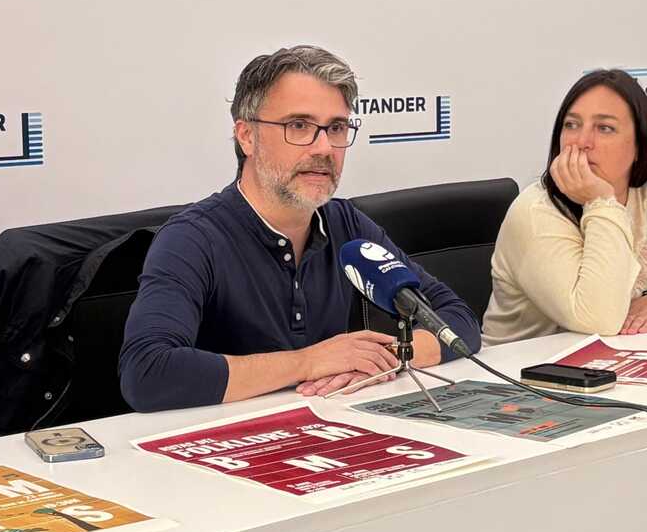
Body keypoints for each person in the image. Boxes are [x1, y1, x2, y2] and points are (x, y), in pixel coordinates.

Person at [119, 46, 479, 412]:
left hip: (331, 425)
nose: (324, 148)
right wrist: (309, 362)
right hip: (225, 437)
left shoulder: (347, 223)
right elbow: (147, 373)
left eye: (336, 128)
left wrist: (379, 358)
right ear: (247, 136)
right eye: (299, 126)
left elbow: (458, 321)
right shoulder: (192, 239)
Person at [482, 69, 647, 345]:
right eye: (572, 125)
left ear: (639, 146)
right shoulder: (535, 211)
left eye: (604, 128)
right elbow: (599, 319)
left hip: (631, 361)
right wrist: (600, 201)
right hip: (523, 369)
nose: (581, 142)